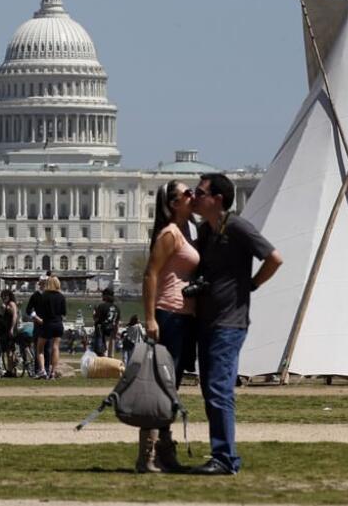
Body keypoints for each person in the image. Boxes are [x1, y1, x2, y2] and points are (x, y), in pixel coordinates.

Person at [188, 173, 283, 476]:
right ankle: (221, 454)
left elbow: (274, 258)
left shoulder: (238, 227)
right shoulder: (206, 232)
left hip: (229, 321)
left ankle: (226, 458)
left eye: (200, 192)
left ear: (217, 199)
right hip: (207, 319)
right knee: (210, 388)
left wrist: (251, 285)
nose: (194, 196)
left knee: (219, 389)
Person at [136, 179, 200, 473]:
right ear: (174, 204)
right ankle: (148, 455)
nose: (194, 195)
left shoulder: (190, 230)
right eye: (188, 193)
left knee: (171, 387)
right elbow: (150, 275)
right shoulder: (170, 233)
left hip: (184, 315)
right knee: (162, 387)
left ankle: (164, 449)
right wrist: (149, 318)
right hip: (169, 314)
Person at [32, 276, 67, 379]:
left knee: (40, 349)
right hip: (58, 324)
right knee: (55, 347)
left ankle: (42, 370)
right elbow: (63, 312)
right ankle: (53, 372)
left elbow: (41, 311)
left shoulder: (44, 296)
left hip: (47, 324)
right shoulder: (61, 296)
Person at [0, 289, 19, 376]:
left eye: (5, 296)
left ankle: (11, 369)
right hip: (5, 329)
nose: (4, 298)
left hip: (10, 328)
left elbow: (14, 316)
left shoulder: (11, 304)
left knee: (10, 350)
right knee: (7, 350)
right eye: (2, 296)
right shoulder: (5, 305)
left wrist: (12, 328)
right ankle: (10, 369)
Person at [92, 288, 121, 357]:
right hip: (112, 330)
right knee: (111, 352)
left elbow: (96, 319)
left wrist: (94, 313)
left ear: (106, 296)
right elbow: (117, 322)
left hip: (102, 331)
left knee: (103, 351)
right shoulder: (116, 308)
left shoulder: (102, 306)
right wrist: (116, 332)